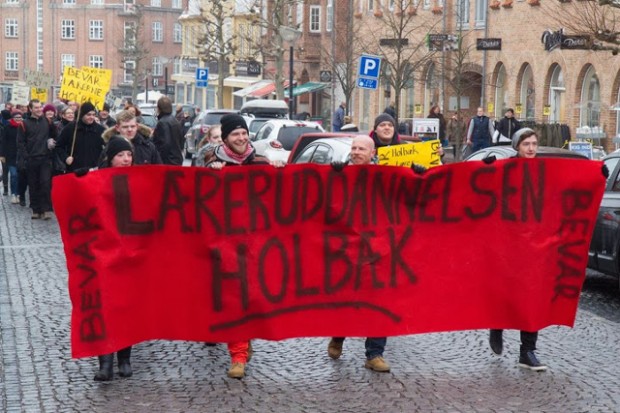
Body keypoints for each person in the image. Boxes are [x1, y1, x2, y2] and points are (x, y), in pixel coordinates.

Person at [205, 114, 285, 379]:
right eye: (235, 134)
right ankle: (237, 355)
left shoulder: (260, 162)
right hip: (224, 243)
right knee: (233, 297)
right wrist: (210, 173)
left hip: (256, 244)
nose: (241, 138)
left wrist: (279, 173)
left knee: (253, 297)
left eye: (243, 133)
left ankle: (246, 339)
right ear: (226, 138)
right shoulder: (210, 161)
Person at [326, 134, 391, 373]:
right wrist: (334, 175)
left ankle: (375, 354)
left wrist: (419, 171)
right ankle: (338, 334)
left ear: (372, 153)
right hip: (346, 249)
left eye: (361, 148)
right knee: (347, 297)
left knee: (379, 300)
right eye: (353, 147)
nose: (355, 152)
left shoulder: (385, 177)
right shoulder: (338, 173)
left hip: (377, 249)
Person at [488, 127, 546, 371]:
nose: (531, 148)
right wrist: (486, 168)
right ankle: (496, 325)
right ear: (517, 147)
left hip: (535, 244)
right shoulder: (505, 170)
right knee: (506, 291)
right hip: (508, 243)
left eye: (534, 144)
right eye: (526, 144)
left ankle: (527, 351)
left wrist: (598, 175)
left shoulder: (545, 171)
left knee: (531, 297)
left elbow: (570, 184)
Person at [92, 136, 135, 381]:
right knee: (104, 307)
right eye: (121, 155)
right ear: (111, 157)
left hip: (129, 254)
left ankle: (125, 358)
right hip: (102, 253)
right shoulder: (96, 179)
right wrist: (76, 178)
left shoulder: (139, 179)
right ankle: (105, 362)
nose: (126, 159)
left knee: (126, 306)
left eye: (129, 155)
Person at [17, 99, 57, 220]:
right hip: (31, 159)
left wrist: (51, 142)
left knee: (45, 184)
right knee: (33, 185)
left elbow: (54, 135)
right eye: (36, 108)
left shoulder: (48, 121)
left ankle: (46, 209)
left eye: (40, 107)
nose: (39, 109)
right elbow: (20, 142)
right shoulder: (24, 124)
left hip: (45, 158)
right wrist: (26, 157)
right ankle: (35, 209)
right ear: (30, 109)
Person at [55, 101, 105, 173]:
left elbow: (107, 149)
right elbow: (59, 146)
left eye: (93, 115)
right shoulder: (71, 128)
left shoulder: (100, 130)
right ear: (82, 114)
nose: (92, 117)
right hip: (74, 170)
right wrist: (65, 158)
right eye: (88, 115)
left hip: (93, 170)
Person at [152, 96, 184, 165]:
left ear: (159, 108)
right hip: (177, 160)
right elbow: (181, 141)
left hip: (167, 161)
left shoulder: (162, 122)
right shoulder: (175, 121)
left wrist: (158, 159)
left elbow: (165, 144)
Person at [0, 110, 22, 203]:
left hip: (22, 156)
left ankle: (19, 194)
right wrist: (2, 154)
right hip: (10, 155)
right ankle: (14, 194)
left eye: (20, 117)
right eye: (16, 117)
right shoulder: (7, 127)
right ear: (12, 118)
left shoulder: (24, 127)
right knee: (13, 175)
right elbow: (3, 142)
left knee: (20, 176)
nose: (18, 119)